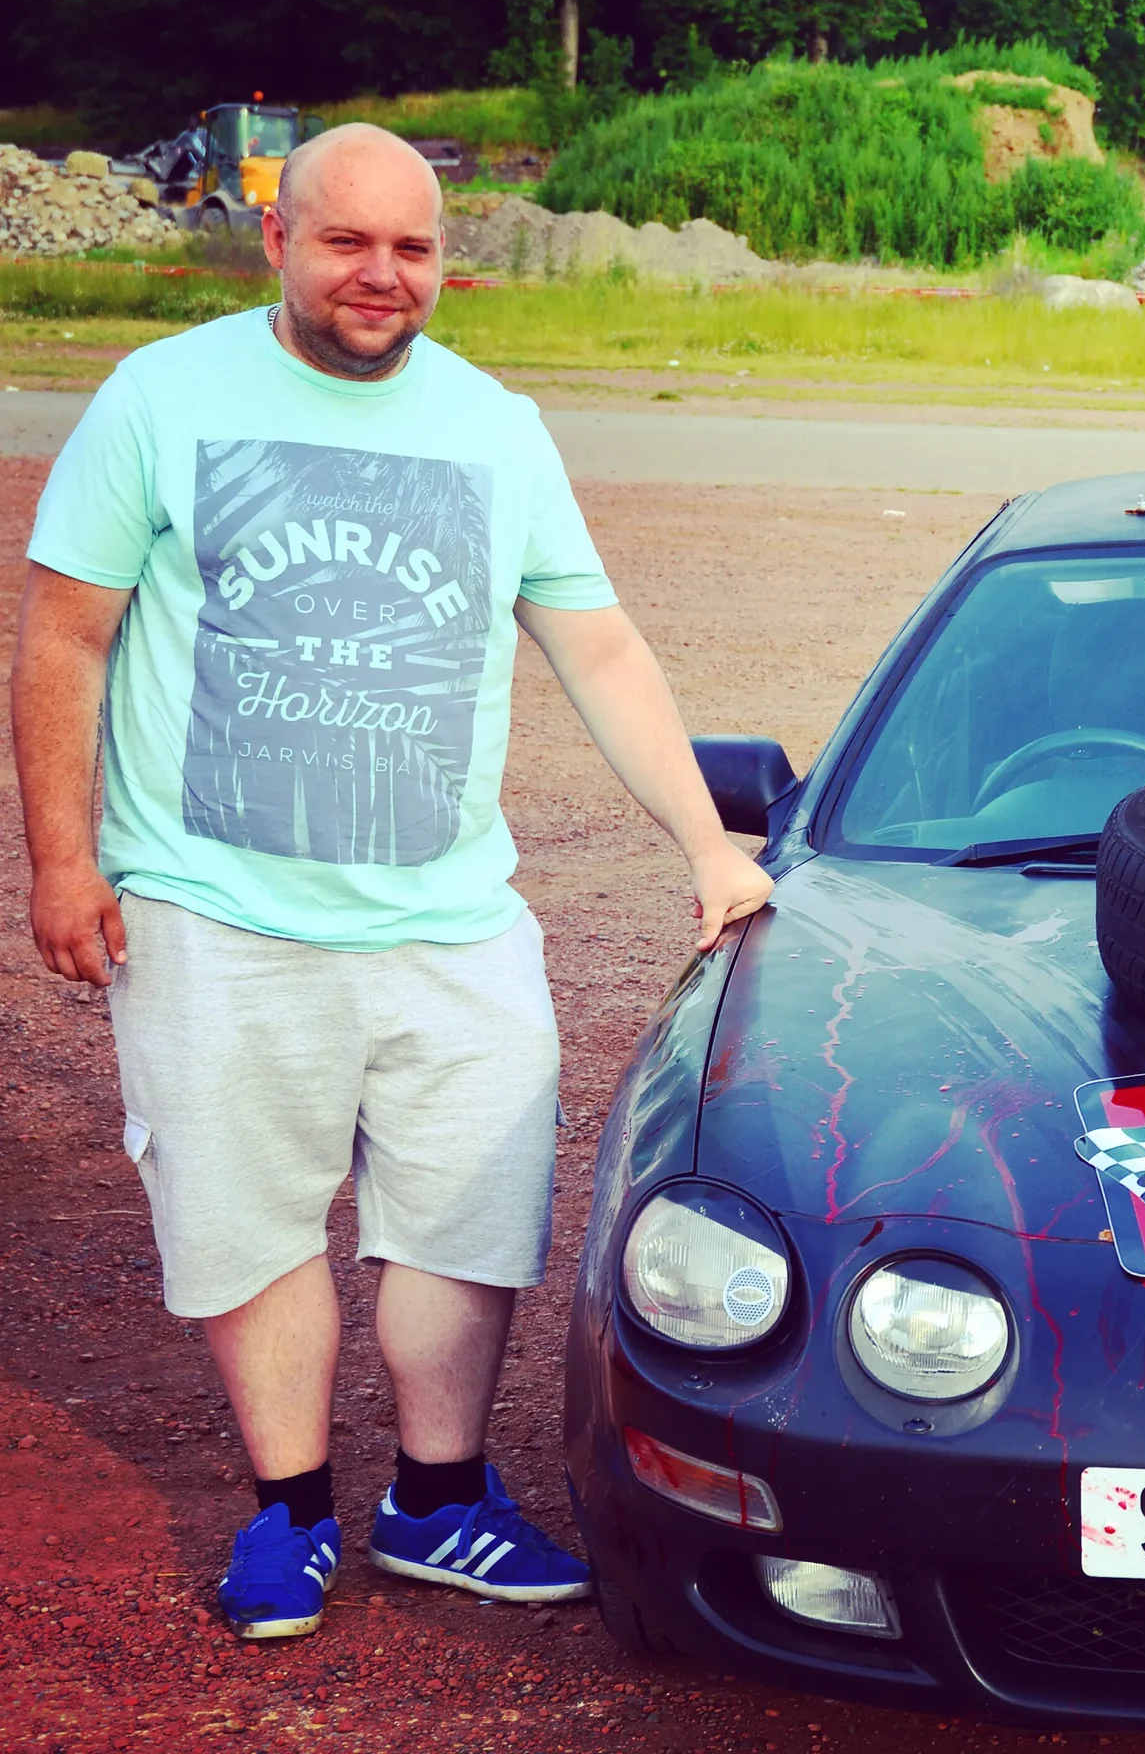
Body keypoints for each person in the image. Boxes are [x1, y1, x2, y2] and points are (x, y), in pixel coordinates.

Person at [11, 123, 775, 1639]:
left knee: (466, 1218)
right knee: (247, 1222)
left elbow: (599, 646)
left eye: (412, 248)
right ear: (276, 239)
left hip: (450, 918)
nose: (381, 275)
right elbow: (64, 637)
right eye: (346, 242)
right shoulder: (162, 397)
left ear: (444, 258)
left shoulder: (497, 427)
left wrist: (707, 842)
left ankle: (440, 1499)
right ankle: (289, 1512)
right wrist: (61, 859)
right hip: (215, 912)